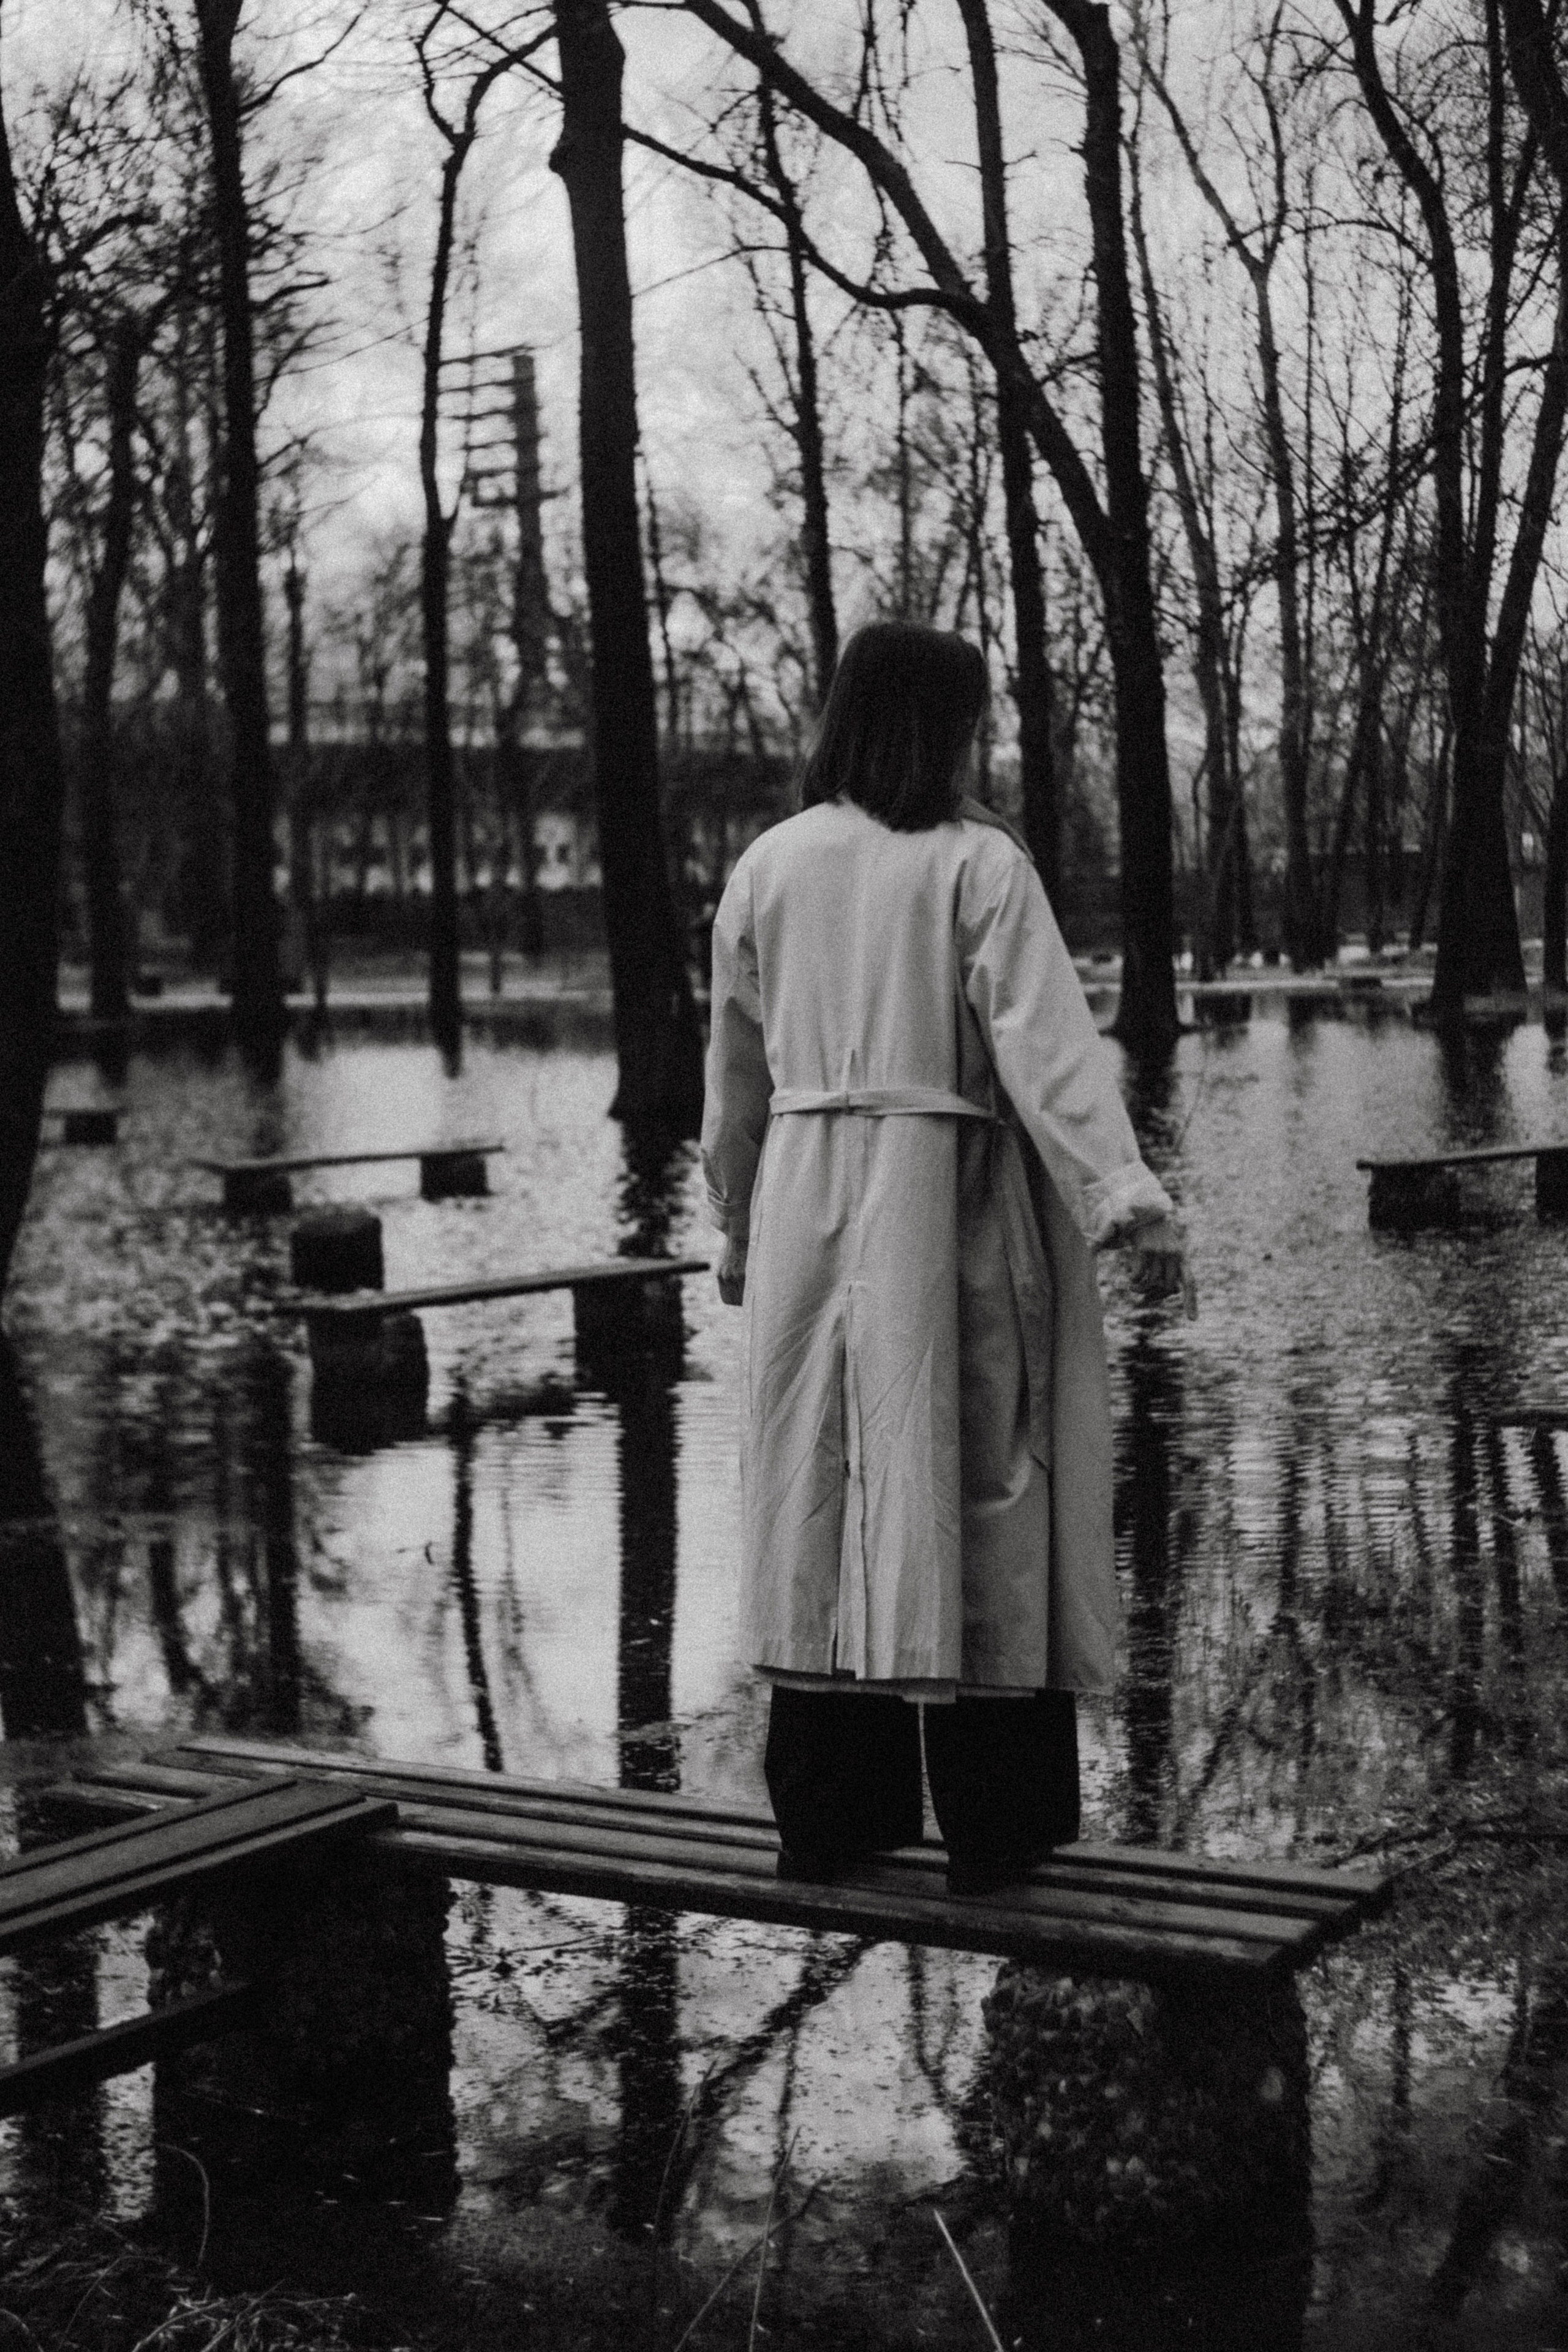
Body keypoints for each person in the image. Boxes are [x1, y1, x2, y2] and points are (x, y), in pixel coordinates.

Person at [700, 621, 1193, 1896]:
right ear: (943, 727)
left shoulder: (767, 866)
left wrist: (735, 1215)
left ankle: (828, 1816)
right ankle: (992, 1828)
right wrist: (1125, 1201)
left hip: (809, 1202)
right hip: (950, 1200)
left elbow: (733, 1076)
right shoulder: (976, 865)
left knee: (824, 1487)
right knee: (978, 1477)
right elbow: (1048, 1056)